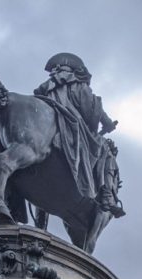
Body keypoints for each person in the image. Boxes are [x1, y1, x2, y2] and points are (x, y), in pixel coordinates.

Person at [34, 53, 124, 215]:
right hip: (71, 124)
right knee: (105, 150)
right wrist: (108, 123)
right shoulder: (79, 86)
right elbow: (91, 108)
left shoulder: (46, 86)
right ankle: (107, 195)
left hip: (48, 122)